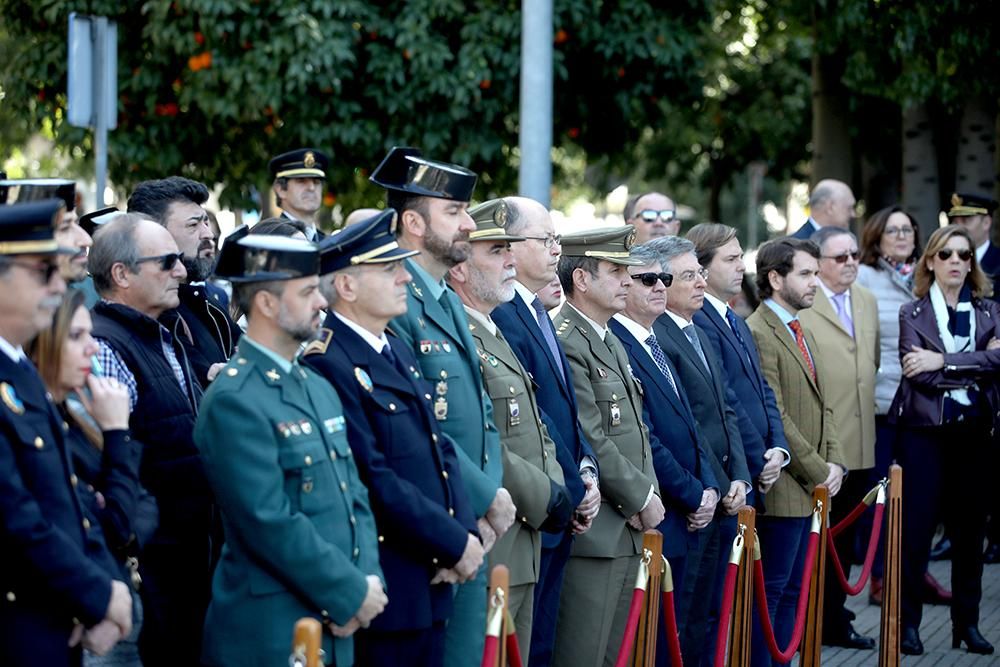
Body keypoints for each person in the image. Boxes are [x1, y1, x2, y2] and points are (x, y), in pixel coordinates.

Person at [195, 234, 386, 666]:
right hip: (274, 633)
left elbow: (353, 496)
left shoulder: (315, 384)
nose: (322, 301)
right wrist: (351, 592)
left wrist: (367, 580)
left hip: (337, 623)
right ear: (265, 303)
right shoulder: (234, 399)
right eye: (307, 292)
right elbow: (269, 522)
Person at [303, 210, 481, 666]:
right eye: (389, 269)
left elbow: (439, 447)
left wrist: (460, 533)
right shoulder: (330, 362)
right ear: (346, 286)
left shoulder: (393, 347)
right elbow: (373, 476)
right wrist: (453, 542)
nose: (405, 277)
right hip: (391, 586)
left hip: (432, 577)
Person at [372, 146, 515, 667]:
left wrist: (491, 491)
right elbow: (417, 426)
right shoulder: (396, 302)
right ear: (412, 222)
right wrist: (480, 497)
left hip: (473, 519)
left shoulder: (447, 298)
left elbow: (480, 410)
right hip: (435, 524)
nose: (468, 224)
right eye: (453, 212)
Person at [0, 199, 132, 666]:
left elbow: (70, 504)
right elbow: (16, 519)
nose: (59, 284)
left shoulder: (19, 371)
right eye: (42, 271)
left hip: (54, 622)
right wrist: (97, 594)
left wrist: (95, 593)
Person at [88, 214, 215, 667]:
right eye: (166, 262)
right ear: (122, 275)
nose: (181, 270)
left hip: (185, 564)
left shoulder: (163, 333)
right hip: (148, 573)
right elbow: (109, 467)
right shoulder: (105, 346)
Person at [452, 199, 575, 659]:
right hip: (500, 535)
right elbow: (484, 437)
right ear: (460, 267)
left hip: (526, 537)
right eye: (495, 251)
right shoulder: (463, 331)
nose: (510, 260)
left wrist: (556, 486)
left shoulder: (489, 328)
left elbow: (537, 423)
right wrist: (546, 495)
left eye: (509, 248)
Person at [488, 196, 599, 666]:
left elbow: (565, 412)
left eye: (556, 239)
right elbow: (531, 419)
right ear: (510, 246)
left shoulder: (534, 312)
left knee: (541, 643)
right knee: (525, 649)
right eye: (545, 239)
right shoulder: (505, 314)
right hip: (538, 505)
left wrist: (585, 470)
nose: (557, 249)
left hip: (559, 500)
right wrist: (570, 491)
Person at [550, 226, 665, 667]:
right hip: (599, 533)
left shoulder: (607, 336)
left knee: (615, 655)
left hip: (628, 528)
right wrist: (641, 495)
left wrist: (646, 496)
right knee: (584, 655)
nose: (627, 280)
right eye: (616, 270)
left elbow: (634, 430)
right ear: (581, 279)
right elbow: (591, 435)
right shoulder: (567, 338)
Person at [29, 288, 158, 667]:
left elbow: (144, 504)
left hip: (121, 597)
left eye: (90, 335)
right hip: (86, 614)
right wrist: (116, 432)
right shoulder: (41, 426)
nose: (92, 349)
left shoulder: (79, 414)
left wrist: (118, 510)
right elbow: (116, 524)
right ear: (41, 344)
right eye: (75, 337)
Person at [888, 225, 1000, 656]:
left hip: (975, 435)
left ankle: (967, 625)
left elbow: (995, 362)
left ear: (972, 264)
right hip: (924, 435)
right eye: (947, 254)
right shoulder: (911, 313)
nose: (956, 261)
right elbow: (919, 373)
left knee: (970, 534)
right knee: (916, 534)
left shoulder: (991, 311)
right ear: (930, 261)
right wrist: (975, 363)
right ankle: (909, 625)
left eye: (964, 255)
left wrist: (945, 360)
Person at [606, 243, 720, 665]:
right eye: (647, 279)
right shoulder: (619, 341)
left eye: (664, 279)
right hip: (661, 511)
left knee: (683, 632)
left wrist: (709, 485)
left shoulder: (654, 340)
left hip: (688, 509)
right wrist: (693, 493)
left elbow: (692, 428)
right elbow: (645, 437)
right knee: (653, 641)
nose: (660, 287)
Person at [647, 234, 751, 665]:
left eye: (700, 273)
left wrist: (740, 476)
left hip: (723, 494)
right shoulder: (661, 336)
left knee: (710, 616)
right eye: (689, 275)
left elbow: (727, 410)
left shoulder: (698, 331)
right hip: (694, 499)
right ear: (661, 283)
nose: (701, 283)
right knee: (683, 621)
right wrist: (711, 485)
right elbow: (686, 428)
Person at [745, 237, 846, 667]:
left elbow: (825, 405)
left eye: (815, 273)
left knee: (793, 595)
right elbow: (777, 415)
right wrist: (820, 469)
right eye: (805, 273)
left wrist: (836, 460)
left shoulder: (802, 328)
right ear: (774, 278)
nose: (815, 283)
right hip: (786, 488)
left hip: (812, 488)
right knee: (773, 596)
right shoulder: (758, 330)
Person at [797, 226, 879, 649]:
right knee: (820, 542)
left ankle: (836, 619)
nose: (850, 263)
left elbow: (871, 365)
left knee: (846, 543)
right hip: (824, 450)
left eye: (854, 256)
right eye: (840, 258)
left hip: (862, 443)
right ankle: (814, 621)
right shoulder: (804, 307)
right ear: (820, 263)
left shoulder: (866, 300)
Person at [687, 223, 790, 508]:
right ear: (701, 267)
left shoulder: (736, 321)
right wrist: (761, 459)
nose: (741, 267)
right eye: (731, 259)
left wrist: (778, 447)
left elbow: (762, 388)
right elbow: (727, 398)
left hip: (760, 465)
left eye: (740, 257)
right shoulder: (699, 321)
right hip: (737, 471)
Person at [855, 205, 923, 603]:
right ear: (877, 237)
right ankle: (878, 575)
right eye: (893, 230)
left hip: (923, 401)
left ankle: (912, 573)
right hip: (879, 403)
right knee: (878, 492)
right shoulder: (864, 277)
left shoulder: (925, 275)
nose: (901, 236)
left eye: (907, 229)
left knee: (917, 495)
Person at [127, 176, 242, 388]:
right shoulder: (152, 313)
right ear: (155, 234)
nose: (208, 234)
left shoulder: (206, 301)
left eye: (206, 221)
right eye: (193, 225)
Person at [268, 148, 330, 241]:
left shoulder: (326, 241)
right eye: (301, 181)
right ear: (280, 189)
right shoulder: (270, 238)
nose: (311, 188)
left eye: (316, 181)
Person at [948, 192, 999, 298]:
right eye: (955, 221)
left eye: (966, 220)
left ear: (986, 223)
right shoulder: (944, 260)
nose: (958, 227)